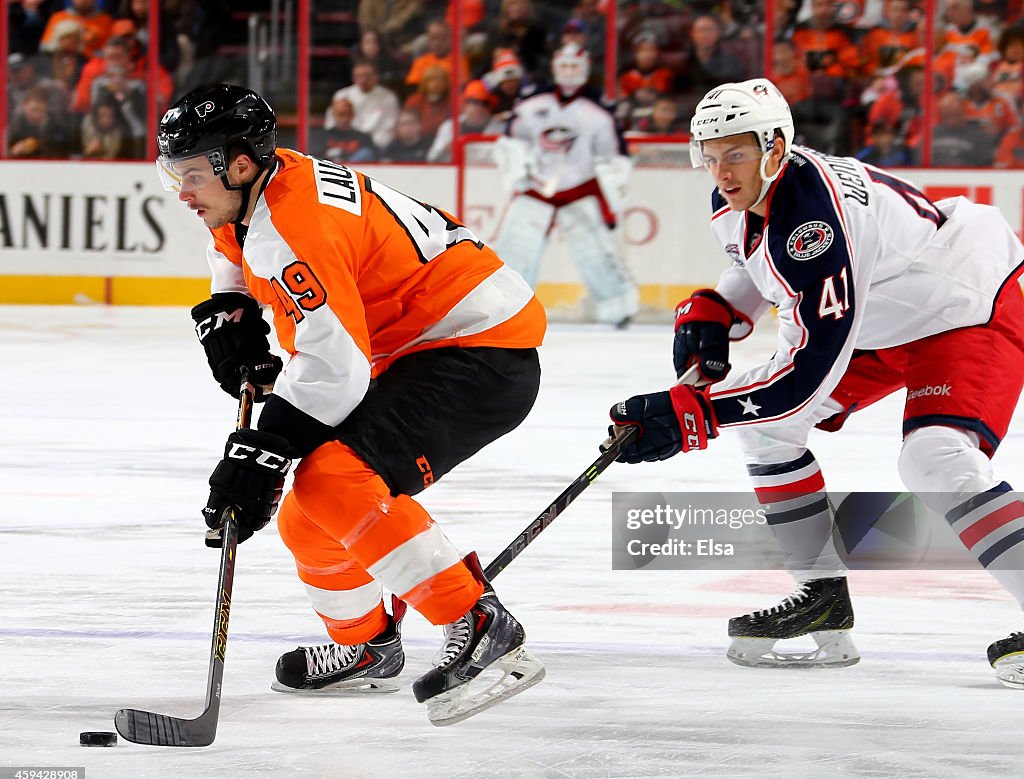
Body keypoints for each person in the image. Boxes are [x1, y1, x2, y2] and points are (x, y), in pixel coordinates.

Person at [607, 78, 1024, 688]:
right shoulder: (745, 193)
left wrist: (693, 411)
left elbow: (801, 378)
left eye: (737, 153)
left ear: (776, 148)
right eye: (711, 154)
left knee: (936, 460)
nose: (722, 171)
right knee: (768, 436)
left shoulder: (815, 224)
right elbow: (756, 259)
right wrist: (721, 305)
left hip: (965, 302)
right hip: (879, 313)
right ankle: (821, 598)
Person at [156, 83, 548, 724]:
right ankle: (368, 647)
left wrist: (261, 452)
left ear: (241, 163)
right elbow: (233, 249)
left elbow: (334, 372)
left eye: (193, 173)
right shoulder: (258, 195)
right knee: (309, 515)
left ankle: (479, 624)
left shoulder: (294, 225)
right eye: (176, 172)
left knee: (333, 481)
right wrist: (233, 312)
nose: (182, 190)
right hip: (422, 344)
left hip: (480, 351)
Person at [491, 43, 639, 327]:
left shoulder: (599, 112)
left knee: (595, 252)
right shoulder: (532, 104)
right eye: (564, 66)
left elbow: (615, 157)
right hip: (537, 190)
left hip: (579, 190)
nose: (569, 73)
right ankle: (507, 307)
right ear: (555, 69)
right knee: (515, 248)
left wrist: (612, 189)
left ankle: (618, 308)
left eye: (575, 67)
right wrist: (517, 173)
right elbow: (510, 142)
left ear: (584, 70)